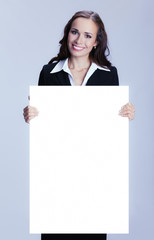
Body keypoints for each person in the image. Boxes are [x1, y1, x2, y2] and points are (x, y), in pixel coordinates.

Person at [23, 10, 135, 240]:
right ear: (67, 34)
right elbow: (44, 123)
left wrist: (125, 113)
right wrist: (31, 114)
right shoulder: (49, 73)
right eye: (75, 32)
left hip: (94, 176)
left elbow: (110, 126)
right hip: (56, 176)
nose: (79, 40)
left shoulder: (108, 75)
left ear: (96, 42)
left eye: (87, 35)